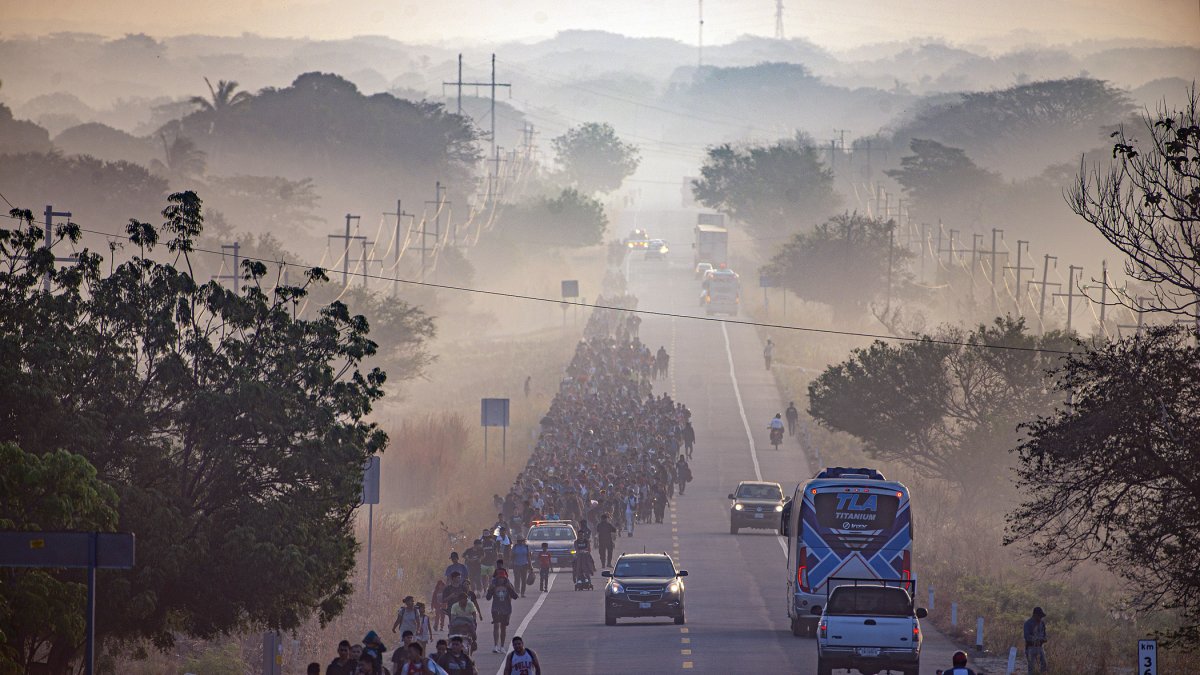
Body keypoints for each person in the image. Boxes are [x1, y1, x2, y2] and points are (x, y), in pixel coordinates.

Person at [486, 569, 519, 653]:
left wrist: (509, 588)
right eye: (499, 578)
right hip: (496, 608)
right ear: (497, 578)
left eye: (502, 578)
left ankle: (502, 646)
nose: (501, 580)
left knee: (503, 627)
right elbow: (488, 598)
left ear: (505, 578)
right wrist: (490, 590)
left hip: (506, 609)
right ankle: (495, 646)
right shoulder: (493, 585)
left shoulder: (508, 585)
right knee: (496, 625)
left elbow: (515, 596)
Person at [1024, 606, 1048, 674]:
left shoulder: (1042, 623)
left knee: (1044, 665)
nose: (1041, 618)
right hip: (1030, 648)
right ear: (1035, 615)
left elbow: (1045, 635)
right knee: (1031, 668)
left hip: (1040, 648)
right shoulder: (1027, 623)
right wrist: (1037, 639)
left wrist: (1044, 639)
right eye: (1040, 616)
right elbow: (1026, 637)